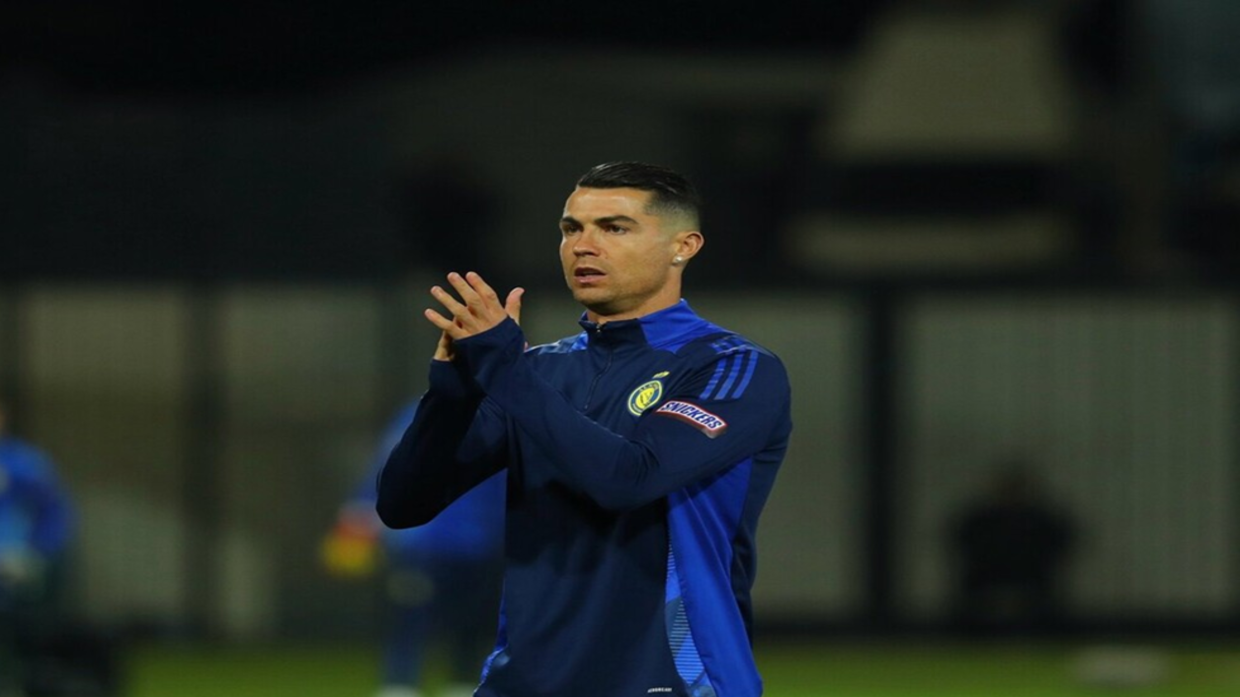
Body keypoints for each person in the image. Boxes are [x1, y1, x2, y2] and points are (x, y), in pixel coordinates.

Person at [377, 162, 793, 697]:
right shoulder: (540, 371)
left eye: (614, 228)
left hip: (671, 679)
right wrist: (451, 397)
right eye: (571, 228)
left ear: (683, 246)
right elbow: (404, 504)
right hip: (523, 683)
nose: (583, 246)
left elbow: (629, 479)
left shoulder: (731, 366)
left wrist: (503, 369)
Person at [324, 399, 504, 697]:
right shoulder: (418, 413)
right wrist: (360, 513)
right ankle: (400, 686)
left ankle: (459, 686)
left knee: (469, 624)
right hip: (420, 541)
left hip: (475, 542)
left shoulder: (495, 414)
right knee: (411, 617)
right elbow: (387, 467)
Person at [0, 399, 74, 697]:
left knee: (21, 630)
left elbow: (55, 514)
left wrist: (36, 555)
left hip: (15, 569)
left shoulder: (26, 465)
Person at [949, 463, 1076, 636]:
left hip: (1033, 586)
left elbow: (1058, 549)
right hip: (985, 585)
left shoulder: (1043, 521)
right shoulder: (979, 521)